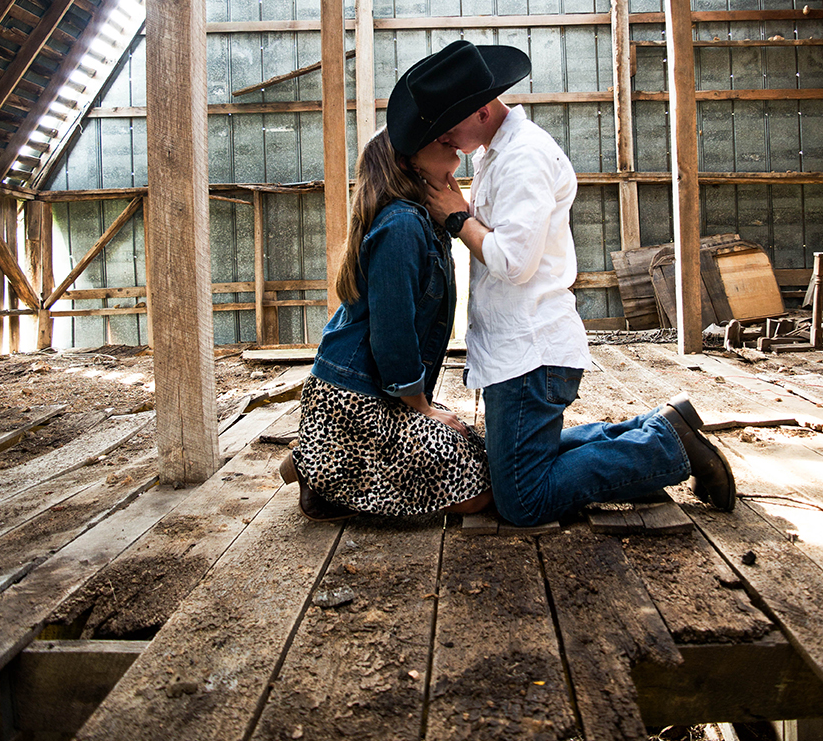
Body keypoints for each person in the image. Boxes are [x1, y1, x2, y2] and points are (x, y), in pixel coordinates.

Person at [386, 40, 737, 528]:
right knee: (513, 468)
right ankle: (657, 430)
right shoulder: (496, 153)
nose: (444, 135)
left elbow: (513, 263)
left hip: (531, 352)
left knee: (523, 500)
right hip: (518, 348)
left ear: (483, 110)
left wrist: (456, 218)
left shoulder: (523, 157)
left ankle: (664, 446)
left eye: (450, 123)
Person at [280, 127, 491, 520]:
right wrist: (423, 409)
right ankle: (324, 469)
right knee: (475, 495)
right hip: (356, 399)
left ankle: (321, 457)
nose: (447, 136)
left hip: (382, 392)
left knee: (475, 449)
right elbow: (393, 335)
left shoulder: (423, 220)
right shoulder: (403, 225)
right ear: (407, 161)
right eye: (434, 135)